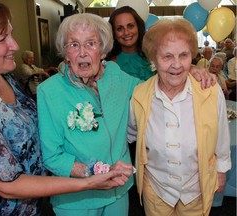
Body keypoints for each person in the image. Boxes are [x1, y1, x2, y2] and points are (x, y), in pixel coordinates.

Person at [0, 1, 134, 215]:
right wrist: (90, 180)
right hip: (0, 209)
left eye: (91, 44)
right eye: (3, 39)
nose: (15, 45)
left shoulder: (5, 78)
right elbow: (5, 185)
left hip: (36, 204)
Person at [37, 13, 216, 216]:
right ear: (65, 53)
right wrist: (95, 173)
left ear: (103, 50)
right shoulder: (49, 92)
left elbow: (152, 89)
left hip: (118, 192)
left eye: (91, 44)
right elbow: (52, 157)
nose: (83, 53)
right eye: (74, 45)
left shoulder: (116, 76)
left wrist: (187, 68)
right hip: (77, 197)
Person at [128, 18, 231, 216]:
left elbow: (221, 136)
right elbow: (131, 132)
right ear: (153, 59)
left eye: (183, 55)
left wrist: (220, 172)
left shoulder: (210, 91)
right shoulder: (140, 95)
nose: (177, 65)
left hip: (196, 189)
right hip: (156, 189)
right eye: (167, 56)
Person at [107, 6, 154, 81]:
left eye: (130, 26)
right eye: (120, 28)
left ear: (138, 27)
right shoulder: (110, 64)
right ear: (113, 33)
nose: (126, 32)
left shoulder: (153, 56)